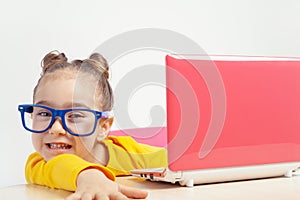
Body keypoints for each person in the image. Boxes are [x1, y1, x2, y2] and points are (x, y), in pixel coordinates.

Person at [18, 51, 167, 200]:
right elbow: (60, 165)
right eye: (44, 114)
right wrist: (89, 176)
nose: (56, 129)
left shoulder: (128, 153)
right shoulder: (38, 164)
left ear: (103, 127)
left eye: (75, 115)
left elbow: (175, 161)